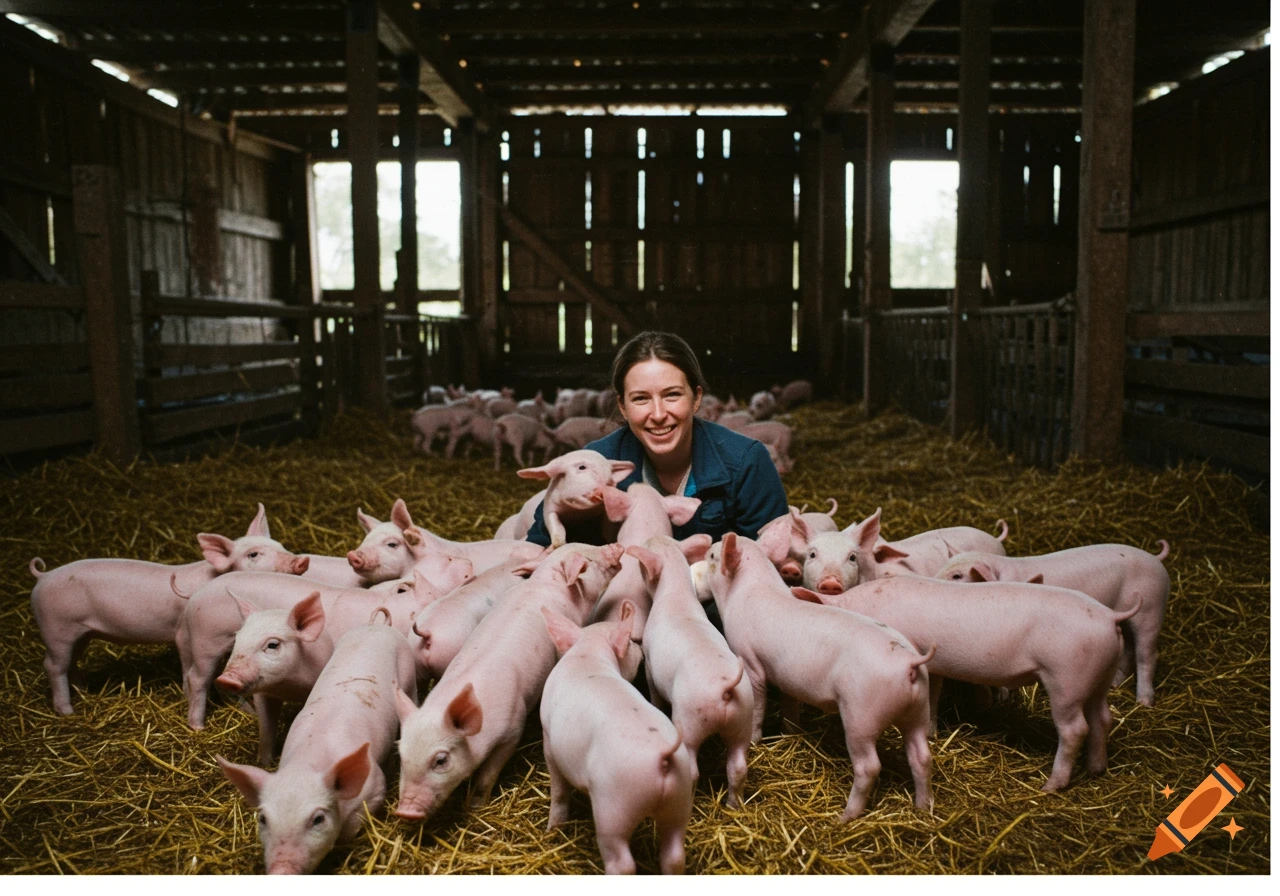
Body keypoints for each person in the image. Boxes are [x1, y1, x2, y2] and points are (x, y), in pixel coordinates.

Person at [524, 331, 789, 547]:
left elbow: (774, 557)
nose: (659, 414)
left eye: (672, 395)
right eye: (641, 398)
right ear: (623, 406)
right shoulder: (593, 464)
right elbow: (541, 546)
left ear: (696, 399)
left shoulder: (745, 461)